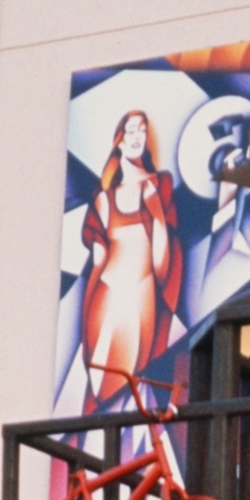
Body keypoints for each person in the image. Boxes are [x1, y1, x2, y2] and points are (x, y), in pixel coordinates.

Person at [81, 111, 182, 412]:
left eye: (142, 131)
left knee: (128, 386)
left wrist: (156, 211)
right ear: (119, 141)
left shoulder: (159, 185)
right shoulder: (103, 199)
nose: (138, 137)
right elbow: (98, 262)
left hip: (141, 297)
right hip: (107, 297)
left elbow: (162, 260)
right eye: (131, 131)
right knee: (100, 383)